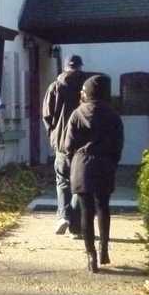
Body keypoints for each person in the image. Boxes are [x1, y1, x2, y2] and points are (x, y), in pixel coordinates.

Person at [64, 75, 124, 273]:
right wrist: (112, 162)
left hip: (82, 166)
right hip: (104, 164)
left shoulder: (77, 114)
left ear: (87, 92)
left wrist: (73, 161)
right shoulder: (113, 115)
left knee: (86, 212)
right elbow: (118, 145)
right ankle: (104, 248)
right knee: (103, 208)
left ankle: (91, 256)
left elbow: (68, 146)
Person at [42, 55, 89, 235]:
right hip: (83, 144)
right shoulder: (86, 88)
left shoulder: (54, 87)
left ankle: (63, 216)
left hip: (62, 144)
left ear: (65, 67)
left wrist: (54, 136)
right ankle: (76, 227)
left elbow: (47, 116)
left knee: (62, 181)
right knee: (79, 184)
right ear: (80, 66)